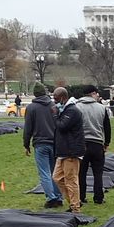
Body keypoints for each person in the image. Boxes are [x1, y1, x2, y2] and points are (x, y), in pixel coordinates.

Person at [22, 84, 63, 210]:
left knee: (44, 172)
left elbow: (28, 128)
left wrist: (26, 144)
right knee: (54, 172)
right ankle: (58, 196)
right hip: (55, 143)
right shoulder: (53, 106)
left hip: (40, 143)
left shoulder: (31, 108)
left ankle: (51, 198)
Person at [51, 86, 87, 216]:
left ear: (62, 97)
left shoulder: (72, 111)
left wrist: (55, 115)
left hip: (71, 151)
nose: (54, 102)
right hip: (63, 151)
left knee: (71, 180)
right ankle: (73, 201)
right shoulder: (65, 110)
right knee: (57, 178)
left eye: (56, 99)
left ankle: (75, 208)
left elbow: (62, 126)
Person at [75, 84, 113, 207]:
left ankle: (81, 197)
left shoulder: (77, 107)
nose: (98, 96)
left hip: (82, 144)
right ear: (92, 94)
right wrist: (106, 143)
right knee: (98, 173)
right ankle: (98, 197)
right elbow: (107, 128)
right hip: (97, 144)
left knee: (81, 173)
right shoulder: (102, 108)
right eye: (97, 94)